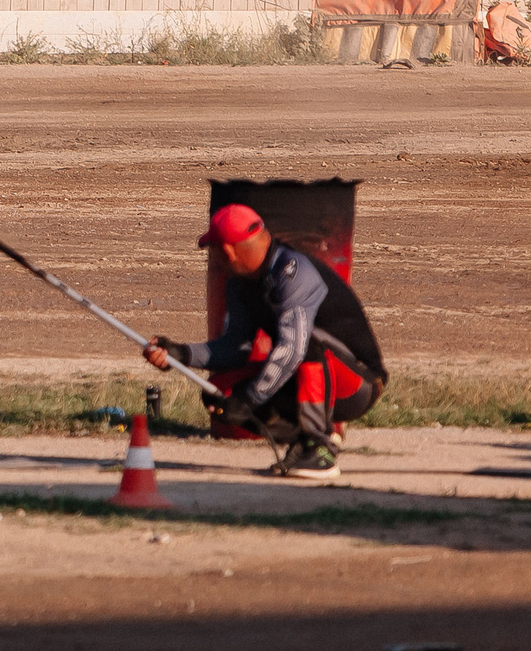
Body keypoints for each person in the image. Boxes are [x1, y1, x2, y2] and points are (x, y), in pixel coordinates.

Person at [147, 204, 386, 481]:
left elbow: (292, 351)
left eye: (213, 251)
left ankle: (319, 448)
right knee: (219, 393)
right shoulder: (240, 284)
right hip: (311, 376)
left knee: (305, 345)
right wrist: (179, 354)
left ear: (227, 251)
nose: (215, 259)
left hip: (358, 385)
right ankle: (303, 440)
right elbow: (234, 349)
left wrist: (249, 399)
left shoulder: (294, 272)